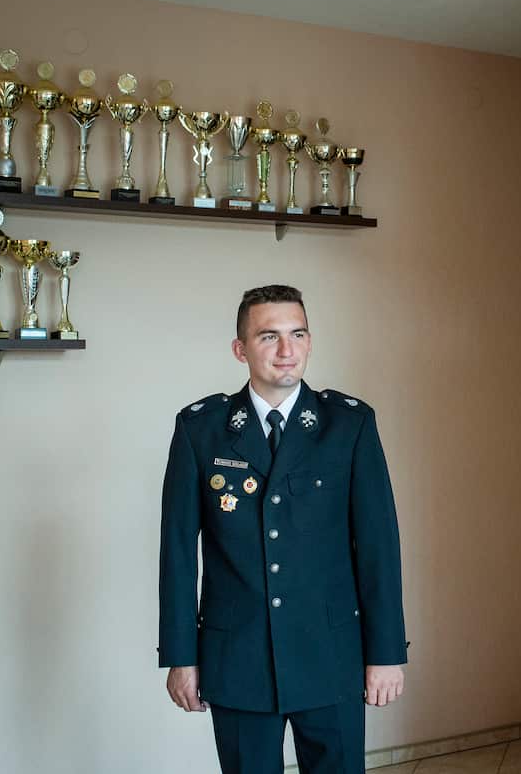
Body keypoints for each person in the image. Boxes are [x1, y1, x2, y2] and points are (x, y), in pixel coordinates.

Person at [158, 284, 407, 774]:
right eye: (269, 336)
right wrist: (181, 657)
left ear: (310, 342)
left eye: (298, 334)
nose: (286, 350)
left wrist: (386, 653)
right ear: (241, 348)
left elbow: (378, 546)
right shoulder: (201, 429)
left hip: (331, 653)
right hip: (237, 658)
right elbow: (178, 554)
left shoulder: (349, 425)